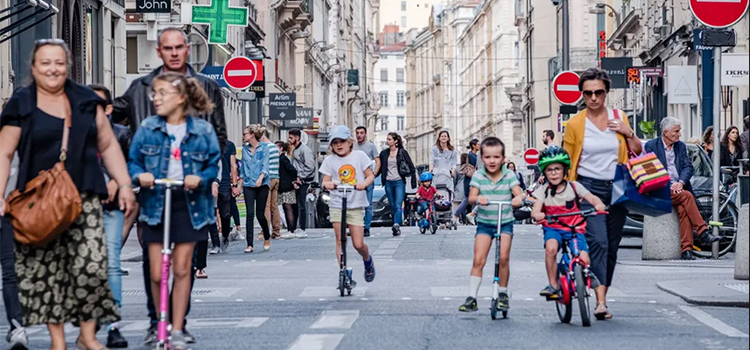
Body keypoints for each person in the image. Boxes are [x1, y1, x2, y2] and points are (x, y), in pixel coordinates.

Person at [0, 39, 136, 350]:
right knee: (50, 271)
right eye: (45, 63)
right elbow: (4, 153)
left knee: (91, 267)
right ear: (34, 67)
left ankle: (87, 336)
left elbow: (109, 145)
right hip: (38, 201)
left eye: (59, 63)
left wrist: (125, 184)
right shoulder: (21, 102)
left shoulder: (86, 100)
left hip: (84, 196)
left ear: (68, 66)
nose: (52, 69)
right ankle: (57, 341)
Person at [113, 28, 226, 344]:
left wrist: (208, 178)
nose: (174, 53)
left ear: (188, 50)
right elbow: (113, 127)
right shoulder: (140, 88)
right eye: (168, 48)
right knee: (154, 266)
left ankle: (177, 323)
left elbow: (218, 136)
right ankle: (155, 322)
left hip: (191, 194)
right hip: (153, 193)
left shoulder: (206, 87)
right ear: (159, 51)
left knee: (182, 266)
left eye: (180, 47)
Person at [562, 67, 642, 321]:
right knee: (599, 241)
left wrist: (628, 132)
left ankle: (600, 293)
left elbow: (638, 151)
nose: (594, 98)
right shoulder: (575, 123)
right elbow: (567, 161)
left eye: (598, 92)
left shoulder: (619, 117)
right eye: (588, 94)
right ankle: (600, 301)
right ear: (582, 95)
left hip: (617, 188)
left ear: (606, 92)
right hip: (588, 189)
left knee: (612, 246)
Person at [459, 137, 525, 313]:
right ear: (482, 158)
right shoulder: (479, 176)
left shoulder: (509, 175)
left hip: (504, 222)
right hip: (485, 223)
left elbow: (519, 193)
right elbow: (471, 197)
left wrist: (518, 198)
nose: (492, 161)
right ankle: (472, 297)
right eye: (487, 157)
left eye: (496, 157)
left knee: (503, 257)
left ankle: (502, 293)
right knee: (479, 258)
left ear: (503, 158)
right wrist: (478, 198)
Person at [531, 146, 606, 298]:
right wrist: (538, 214)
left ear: (565, 170)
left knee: (583, 256)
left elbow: (591, 198)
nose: (554, 173)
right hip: (554, 228)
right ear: (544, 172)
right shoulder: (543, 190)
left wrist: (598, 205)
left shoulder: (574, 187)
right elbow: (536, 209)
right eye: (550, 169)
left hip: (575, 228)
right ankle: (552, 285)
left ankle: (585, 274)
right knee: (551, 249)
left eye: (558, 169)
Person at [88, 84, 131, 348]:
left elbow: (132, 165)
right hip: (81, 205)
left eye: (97, 105)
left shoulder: (121, 133)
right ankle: (88, 322)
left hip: (112, 207)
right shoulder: (75, 132)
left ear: (108, 109)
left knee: (112, 262)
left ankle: (113, 324)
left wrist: (119, 180)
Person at [645, 117, 720, 260]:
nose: (679, 134)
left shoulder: (681, 146)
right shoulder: (651, 146)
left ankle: (686, 251)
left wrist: (680, 182)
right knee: (686, 196)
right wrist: (669, 184)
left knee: (683, 207)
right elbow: (650, 171)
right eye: (676, 131)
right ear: (665, 132)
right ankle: (703, 231)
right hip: (659, 189)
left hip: (678, 189)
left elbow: (688, 167)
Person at [319, 126, 376, 285]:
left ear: (350, 142)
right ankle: (343, 271)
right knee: (340, 239)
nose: (339, 145)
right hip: (337, 204)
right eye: (335, 142)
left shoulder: (359, 156)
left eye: (342, 141)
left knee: (358, 243)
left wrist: (364, 183)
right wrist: (328, 184)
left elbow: (370, 175)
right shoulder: (330, 160)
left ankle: (367, 260)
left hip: (355, 204)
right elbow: (325, 181)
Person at [377, 132, 417, 236]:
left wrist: (413, 183)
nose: (387, 141)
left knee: (398, 204)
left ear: (395, 141)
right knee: (393, 205)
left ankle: (396, 224)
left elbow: (411, 167)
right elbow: (381, 169)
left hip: (399, 181)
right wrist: (372, 176)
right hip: (388, 182)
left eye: (390, 139)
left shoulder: (402, 152)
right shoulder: (384, 153)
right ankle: (396, 223)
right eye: (387, 139)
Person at [240, 125, 272, 252]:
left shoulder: (264, 148)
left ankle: (267, 236)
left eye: (245, 134)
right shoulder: (245, 150)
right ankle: (249, 244)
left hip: (262, 184)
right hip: (248, 184)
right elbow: (242, 168)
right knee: (249, 214)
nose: (243, 136)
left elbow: (266, 166)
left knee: (260, 215)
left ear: (252, 134)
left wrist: (260, 178)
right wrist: (239, 185)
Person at [354, 126, 380, 237]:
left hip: (367, 179)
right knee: (355, 204)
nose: (359, 135)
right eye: (357, 133)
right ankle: (356, 227)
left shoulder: (370, 146)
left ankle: (366, 228)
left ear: (365, 134)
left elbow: (377, 161)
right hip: (355, 179)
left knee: (368, 204)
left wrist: (374, 174)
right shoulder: (352, 146)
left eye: (361, 133)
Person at [289, 128, 315, 238]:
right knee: (294, 205)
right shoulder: (294, 150)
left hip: (303, 181)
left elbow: (310, 166)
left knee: (302, 205)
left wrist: (301, 177)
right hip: (296, 180)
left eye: (291, 137)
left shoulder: (305, 150)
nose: (289, 140)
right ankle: (294, 229)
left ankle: (302, 229)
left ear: (297, 138)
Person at [218, 138, 239, 252]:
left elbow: (233, 166)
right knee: (223, 213)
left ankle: (225, 235)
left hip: (224, 182)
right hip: (216, 182)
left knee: (224, 213)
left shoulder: (229, 145)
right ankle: (220, 239)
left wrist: (234, 184)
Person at [262, 131, 282, 239]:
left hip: (268, 178)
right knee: (274, 206)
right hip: (276, 177)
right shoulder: (275, 147)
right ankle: (276, 231)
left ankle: (264, 231)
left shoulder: (266, 148)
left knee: (266, 206)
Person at [277, 141, 299, 238]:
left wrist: (292, 180)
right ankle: (290, 229)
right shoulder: (281, 158)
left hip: (286, 187)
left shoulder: (282, 159)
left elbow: (292, 169)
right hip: (285, 186)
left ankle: (291, 230)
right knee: (286, 208)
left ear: (281, 148)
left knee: (288, 208)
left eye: (276, 147)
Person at [455, 139, 479, 224]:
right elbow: (478, 166)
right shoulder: (472, 156)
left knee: (469, 200)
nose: (479, 146)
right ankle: (457, 215)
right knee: (469, 199)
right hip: (471, 181)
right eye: (478, 144)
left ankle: (471, 215)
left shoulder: (474, 155)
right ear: (474, 146)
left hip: (471, 180)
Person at [429, 130, 457, 197]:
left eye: (445, 136)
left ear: (448, 138)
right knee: (435, 191)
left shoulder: (452, 150)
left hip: (447, 173)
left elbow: (454, 163)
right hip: (436, 173)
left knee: (448, 191)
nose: (443, 138)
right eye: (442, 136)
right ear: (439, 138)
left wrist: (452, 171)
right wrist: (430, 171)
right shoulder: (434, 149)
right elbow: (431, 161)